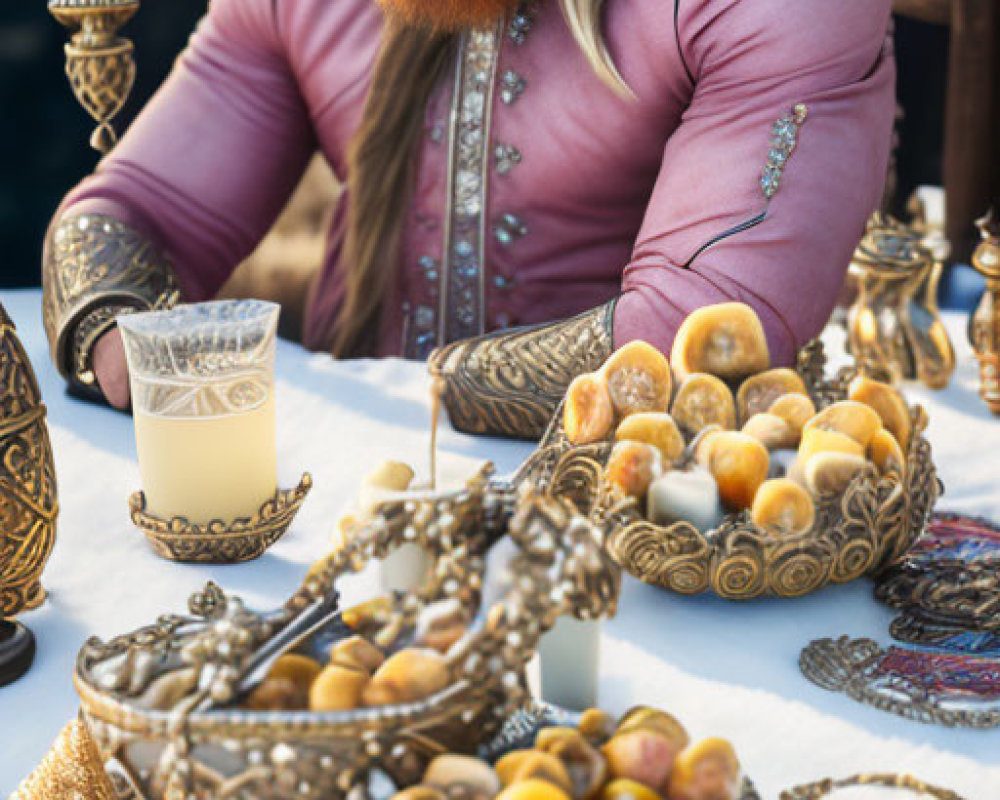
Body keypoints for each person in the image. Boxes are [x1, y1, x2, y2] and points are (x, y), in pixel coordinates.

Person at [42, 0, 895, 438]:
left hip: (642, 545)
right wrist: (121, 337)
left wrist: (353, 415)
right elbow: (132, 214)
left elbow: (695, 336)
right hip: (326, 527)